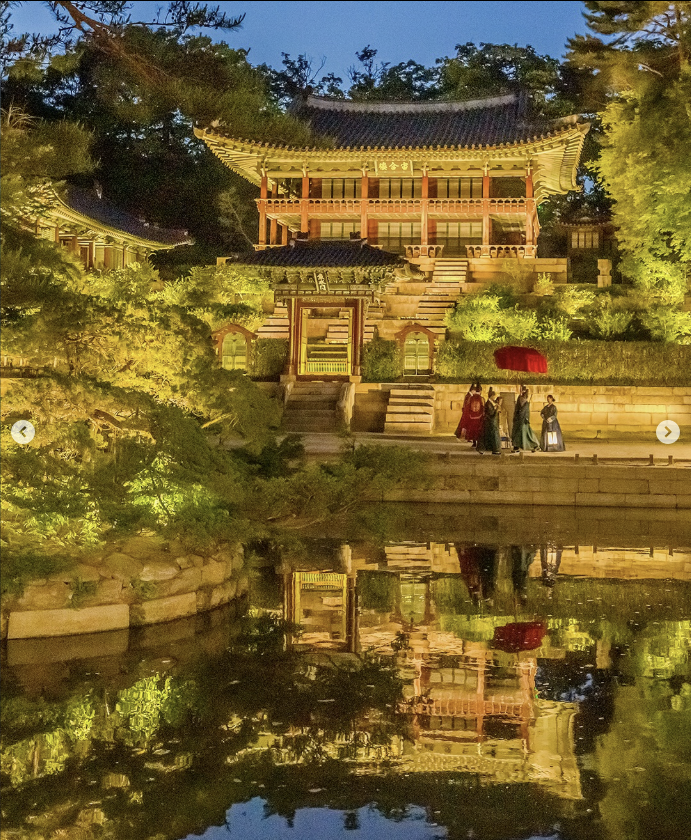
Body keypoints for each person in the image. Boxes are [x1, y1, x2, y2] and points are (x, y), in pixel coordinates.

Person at [455, 382, 485, 447]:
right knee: (478, 430)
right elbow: (483, 407)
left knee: (473, 430)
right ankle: (478, 442)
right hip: (479, 418)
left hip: (472, 417)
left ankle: (474, 442)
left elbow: (467, 407)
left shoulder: (471, 398)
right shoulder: (481, 398)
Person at [511, 386, 540, 452]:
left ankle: (535, 445)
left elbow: (523, 412)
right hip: (519, 421)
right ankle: (516, 446)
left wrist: (519, 416)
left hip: (523, 421)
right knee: (519, 434)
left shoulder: (525, 403)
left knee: (527, 434)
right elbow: (517, 410)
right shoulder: (520, 400)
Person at [477, 388, 501, 455]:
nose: (494, 397)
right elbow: (491, 413)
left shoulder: (490, 403)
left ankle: (491, 450)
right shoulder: (488, 404)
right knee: (491, 437)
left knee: (487, 438)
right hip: (489, 423)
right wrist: (496, 409)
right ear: (492, 396)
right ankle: (494, 450)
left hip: (490, 422)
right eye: (494, 396)